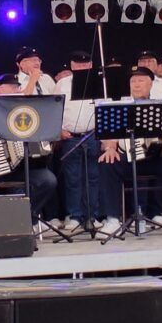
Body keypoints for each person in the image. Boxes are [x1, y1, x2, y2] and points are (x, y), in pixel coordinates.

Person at [97, 66, 162, 237]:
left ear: (151, 84)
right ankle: (112, 220)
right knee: (107, 162)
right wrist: (110, 148)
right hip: (129, 159)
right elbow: (110, 137)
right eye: (133, 81)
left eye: (141, 81)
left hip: (156, 159)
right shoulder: (120, 106)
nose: (136, 84)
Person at [0, 75, 57, 225]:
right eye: (14, 88)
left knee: (49, 181)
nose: (19, 91)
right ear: (0, 91)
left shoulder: (28, 113)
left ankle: (25, 219)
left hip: (27, 167)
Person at [54, 50, 101, 231]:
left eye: (85, 63)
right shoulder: (62, 84)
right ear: (72, 65)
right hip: (71, 137)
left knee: (93, 177)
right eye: (78, 64)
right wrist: (59, 130)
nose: (82, 66)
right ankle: (74, 216)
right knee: (72, 178)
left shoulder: (99, 81)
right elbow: (55, 108)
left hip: (93, 135)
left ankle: (92, 216)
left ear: (91, 65)